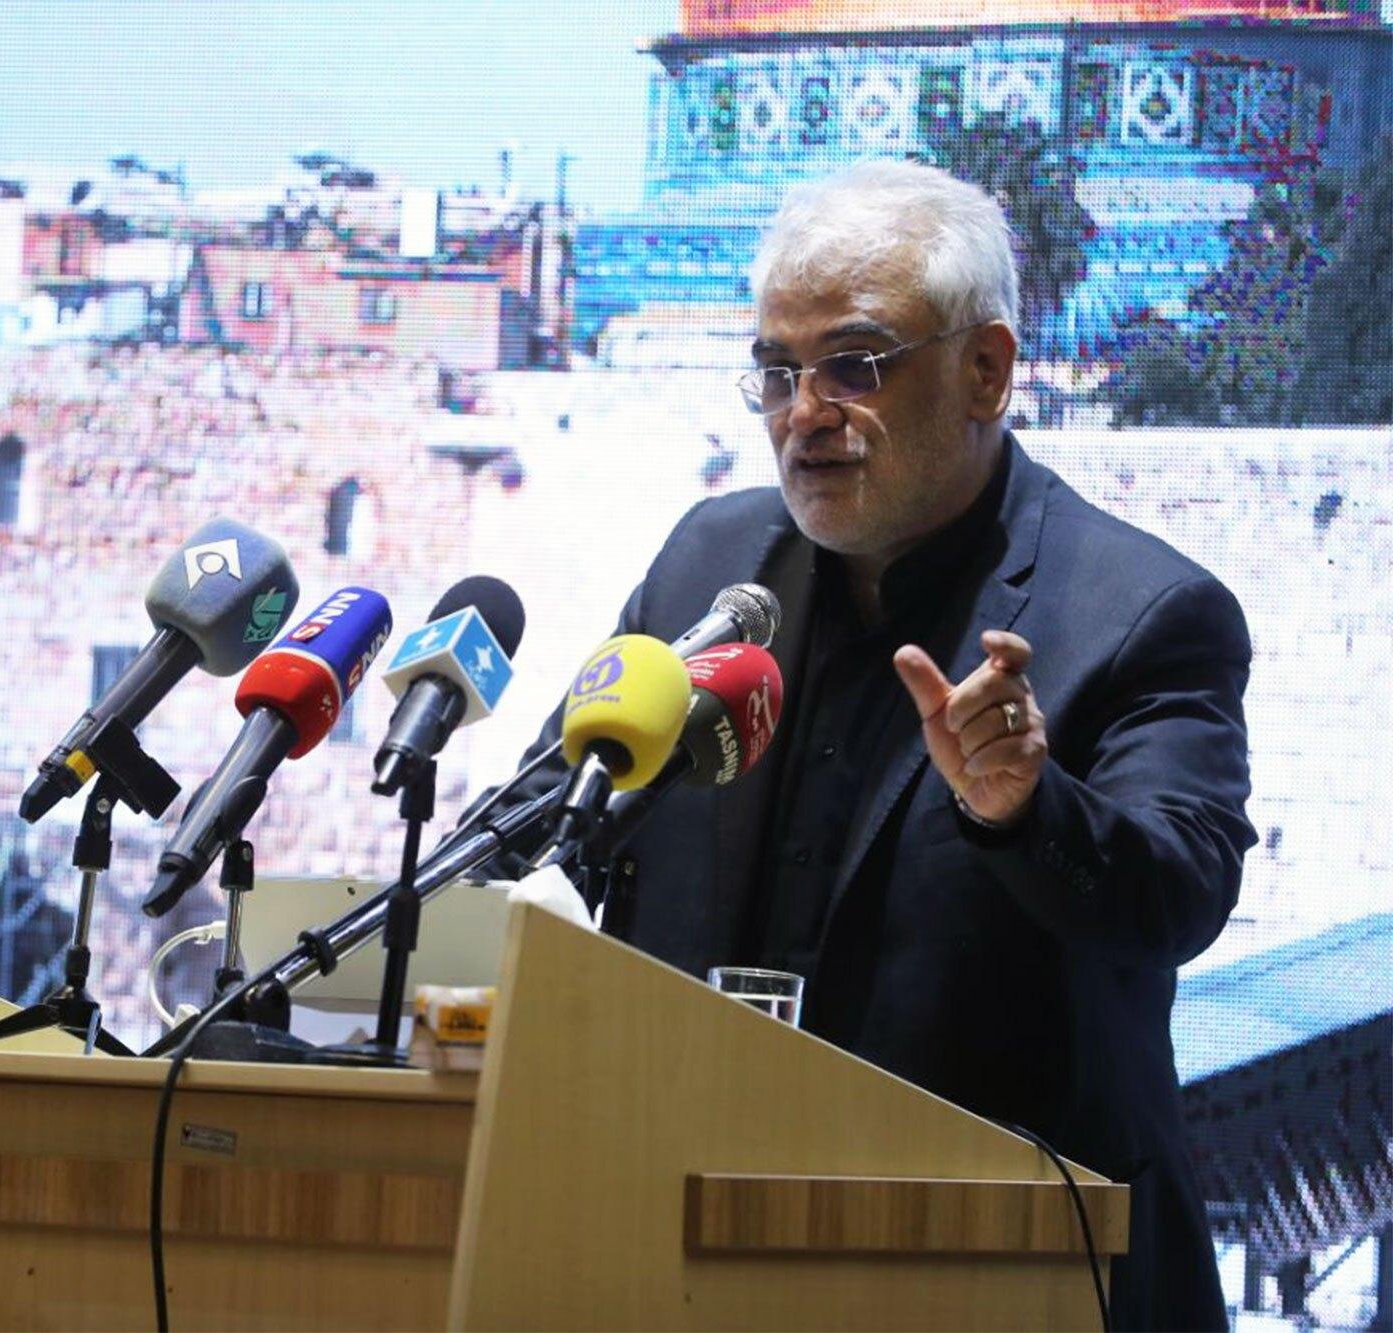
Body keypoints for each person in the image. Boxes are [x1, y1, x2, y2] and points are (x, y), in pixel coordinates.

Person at [505, 160, 1253, 1330]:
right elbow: (553, 818)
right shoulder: (709, 566)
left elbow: (1179, 894)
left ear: (984, 370)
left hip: (1004, 1274)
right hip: (684, 1250)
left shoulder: (1140, 611)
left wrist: (1023, 808)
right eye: (774, 371)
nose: (802, 412)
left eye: (852, 366)